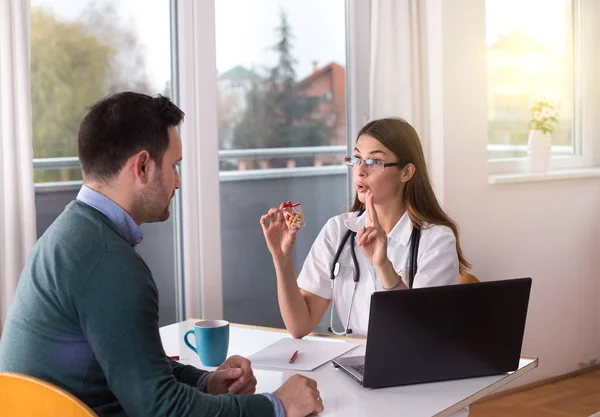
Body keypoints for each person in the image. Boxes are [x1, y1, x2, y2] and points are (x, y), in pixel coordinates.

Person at [0, 92, 323, 417]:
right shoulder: (108, 263)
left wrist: (205, 382)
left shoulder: (69, 236)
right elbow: (163, 410)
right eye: (174, 166)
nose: (178, 182)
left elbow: (130, 361)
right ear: (141, 166)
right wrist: (278, 404)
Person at [261, 117, 470, 416]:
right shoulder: (338, 230)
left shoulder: (435, 239)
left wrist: (383, 265)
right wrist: (281, 261)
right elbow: (299, 325)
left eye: (375, 161)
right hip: (353, 378)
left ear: (406, 172)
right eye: (357, 158)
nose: (360, 170)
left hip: (416, 383)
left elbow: (418, 335)